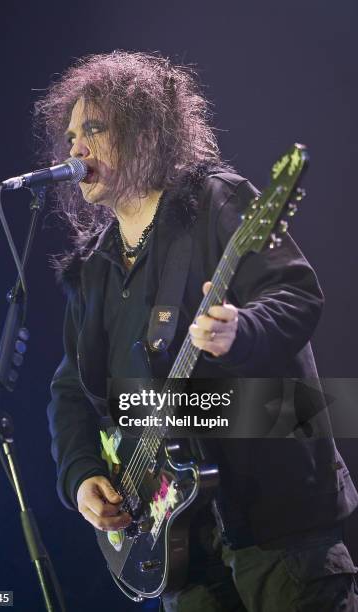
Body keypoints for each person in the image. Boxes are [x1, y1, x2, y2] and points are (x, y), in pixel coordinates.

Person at [37, 51, 358, 611]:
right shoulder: (94, 270)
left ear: (144, 133)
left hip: (272, 519)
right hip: (177, 542)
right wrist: (82, 475)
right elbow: (71, 391)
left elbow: (297, 294)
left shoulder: (216, 203)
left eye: (93, 128)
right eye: (69, 136)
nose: (75, 148)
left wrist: (243, 330)